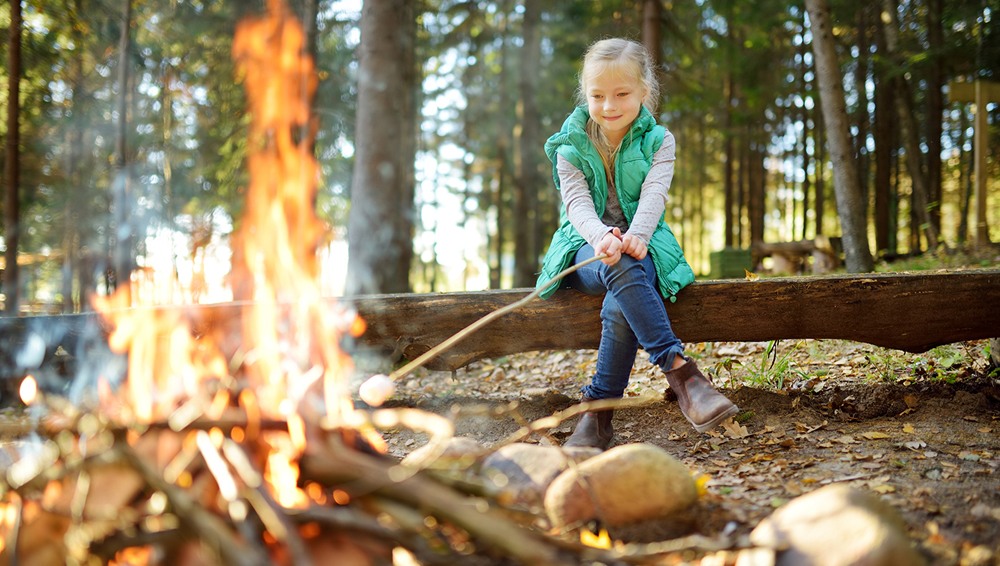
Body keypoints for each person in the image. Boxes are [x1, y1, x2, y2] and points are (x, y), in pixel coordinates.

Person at [536, 38, 738, 450]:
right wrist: (600, 237)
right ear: (585, 95)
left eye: (622, 94)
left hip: (643, 245)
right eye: (598, 96)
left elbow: (654, 196)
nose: (609, 105)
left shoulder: (659, 141)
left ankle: (596, 417)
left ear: (644, 92)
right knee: (614, 265)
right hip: (583, 247)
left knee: (620, 299)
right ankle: (682, 374)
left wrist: (637, 236)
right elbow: (575, 203)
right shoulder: (569, 144)